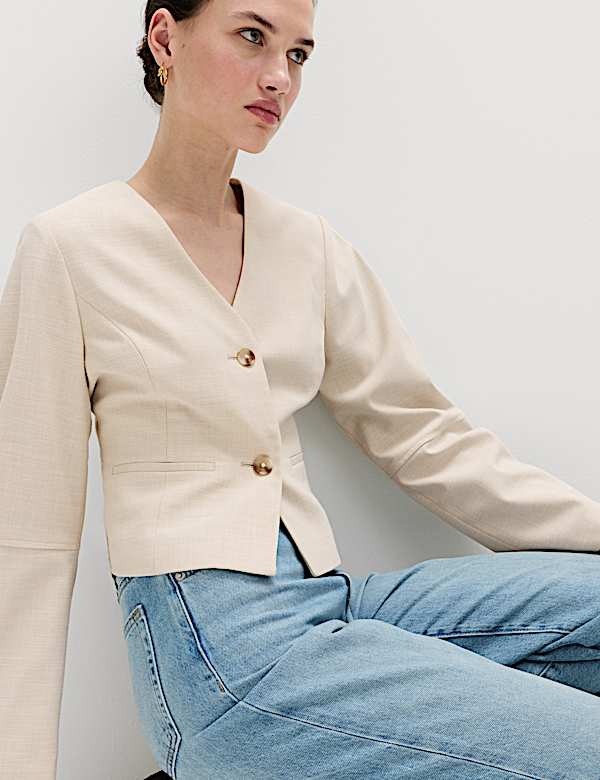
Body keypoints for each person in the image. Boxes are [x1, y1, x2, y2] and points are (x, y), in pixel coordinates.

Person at [2, 1, 600, 778]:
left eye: (299, 54)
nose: (279, 77)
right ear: (165, 38)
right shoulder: (72, 246)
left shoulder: (305, 244)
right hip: (221, 656)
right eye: (253, 37)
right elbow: (29, 537)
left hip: (332, 604)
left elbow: (424, 437)